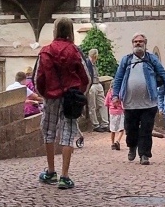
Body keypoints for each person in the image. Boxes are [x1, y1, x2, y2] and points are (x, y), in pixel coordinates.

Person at [35, 17, 91, 188]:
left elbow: (38, 78)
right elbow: (86, 77)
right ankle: (65, 176)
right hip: (70, 97)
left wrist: (44, 94)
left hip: (51, 97)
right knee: (67, 134)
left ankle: (51, 171)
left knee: (49, 132)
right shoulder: (74, 51)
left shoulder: (45, 51)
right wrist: (79, 93)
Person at [111, 33, 165, 165]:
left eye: (140, 41)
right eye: (135, 42)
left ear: (145, 44)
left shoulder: (152, 59)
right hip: (130, 103)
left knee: (146, 130)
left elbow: (164, 77)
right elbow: (118, 79)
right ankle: (132, 146)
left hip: (149, 103)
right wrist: (115, 96)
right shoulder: (126, 60)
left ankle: (144, 155)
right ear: (132, 44)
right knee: (131, 129)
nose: (138, 43)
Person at [83, 47, 109, 132]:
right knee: (92, 106)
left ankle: (105, 123)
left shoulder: (93, 63)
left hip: (97, 84)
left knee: (103, 104)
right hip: (92, 85)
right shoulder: (87, 63)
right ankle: (95, 125)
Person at [104, 86, 125, 151]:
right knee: (121, 128)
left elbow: (106, 103)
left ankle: (112, 144)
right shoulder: (120, 92)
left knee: (112, 129)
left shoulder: (109, 92)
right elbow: (123, 102)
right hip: (120, 112)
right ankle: (117, 141)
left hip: (112, 112)